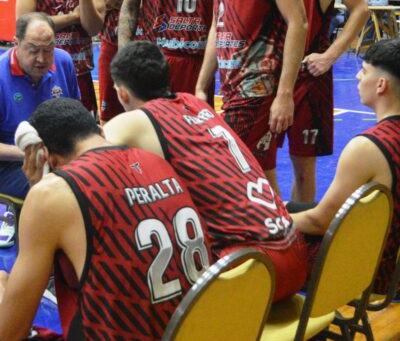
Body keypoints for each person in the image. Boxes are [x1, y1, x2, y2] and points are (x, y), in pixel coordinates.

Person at [0, 97, 210, 341]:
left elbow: (9, 333)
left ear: (44, 157)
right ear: (98, 128)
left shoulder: (54, 193)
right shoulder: (157, 162)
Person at [104, 41, 308, 303]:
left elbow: (85, 161)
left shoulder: (134, 121)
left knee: (133, 252)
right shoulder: (195, 103)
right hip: (294, 252)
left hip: (252, 267)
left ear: (122, 94)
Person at [180, 0, 308, 191]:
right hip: (232, 84)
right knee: (259, 174)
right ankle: (282, 236)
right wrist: (200, 86)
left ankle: (273, 236)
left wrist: (285, 94)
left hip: (259, 86)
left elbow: (298, 22)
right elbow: (217, 24)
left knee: (236, 173)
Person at [290, 38, 400, 341]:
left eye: (363, 72)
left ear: (381, 84)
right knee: (296, 206)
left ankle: (297, 340)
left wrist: (273, 221)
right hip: (391, 264)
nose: (356, 79)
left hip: (364, 272)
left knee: (268, 241)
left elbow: (321, 222)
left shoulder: (367, 147)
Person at [261, 0, 368, 202]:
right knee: (258, 162)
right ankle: (277, 230)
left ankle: (302, 240)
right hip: (267, 73)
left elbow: (360, 9)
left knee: (303, 169)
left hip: (308, 78)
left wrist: (331, 55)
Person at [0, 12, 79, 247]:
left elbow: (75, 115)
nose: (41, 58)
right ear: (16, 43)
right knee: (60, 191)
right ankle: (45, 265)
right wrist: (31, 154)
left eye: (48, 49)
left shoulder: (64, 62)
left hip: (56, 155)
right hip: (3, 165)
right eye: (33, 49)